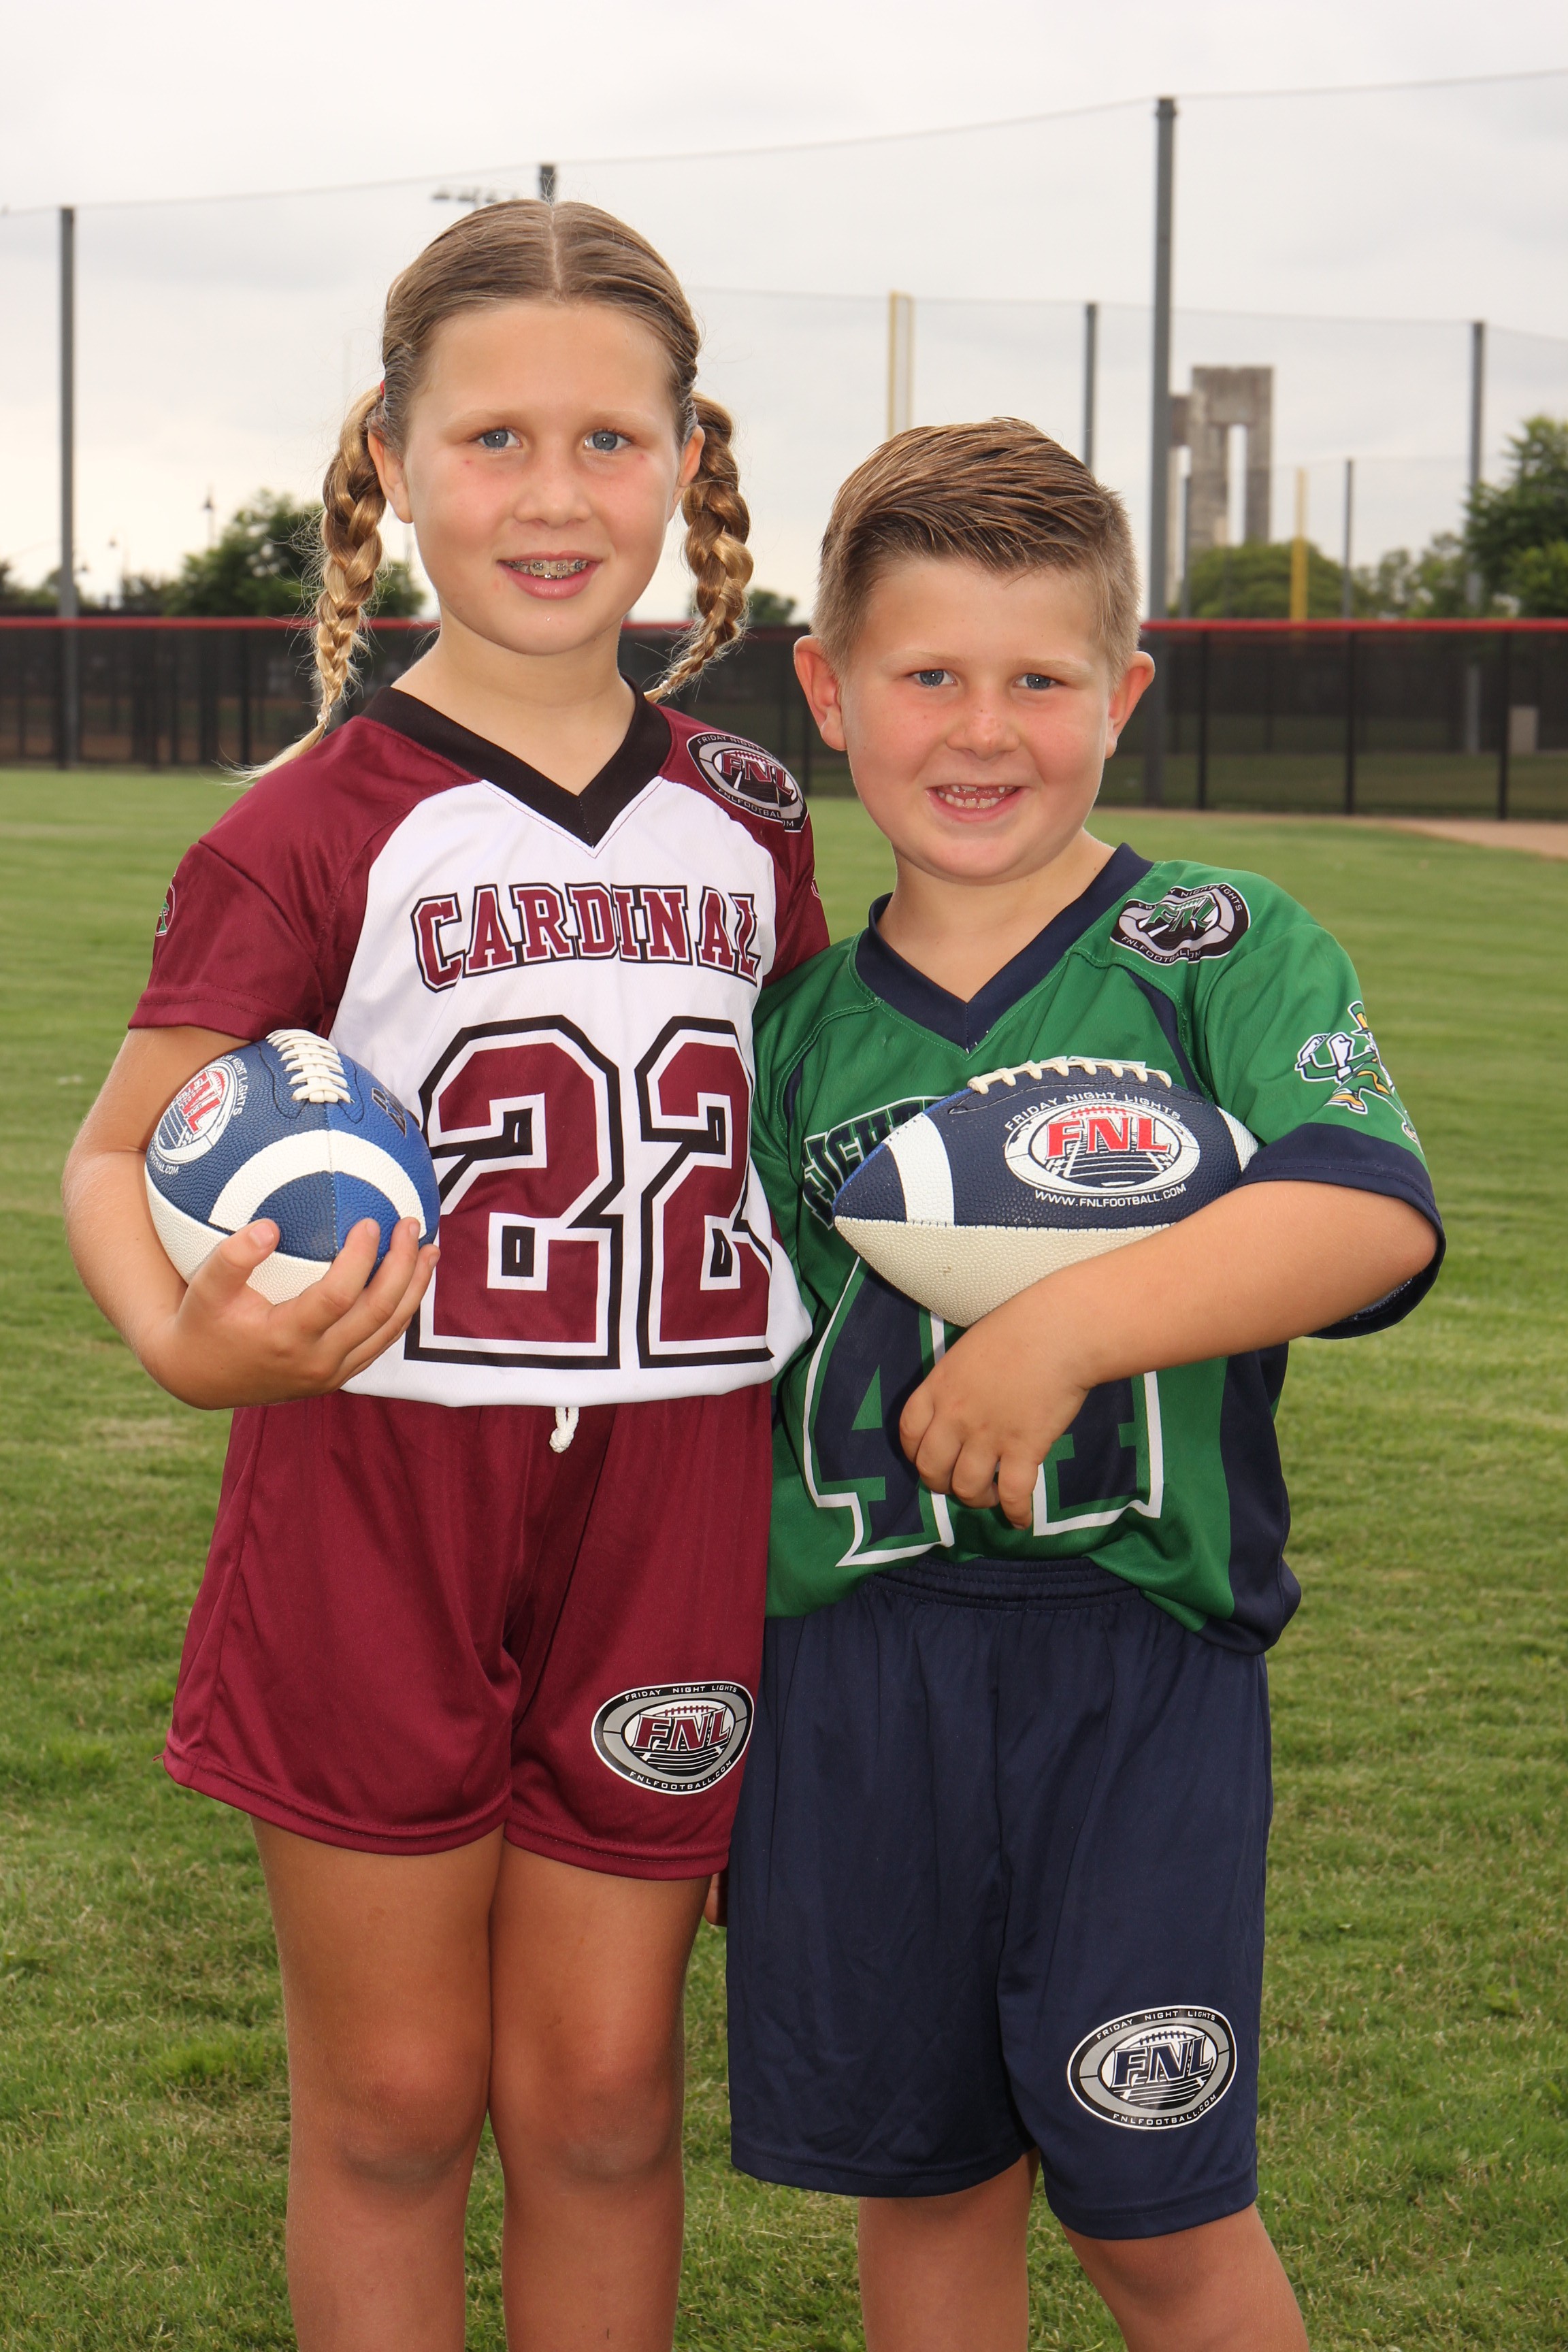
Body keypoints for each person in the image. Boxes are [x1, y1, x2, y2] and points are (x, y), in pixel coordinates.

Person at [62, 199, 826, 2352]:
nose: (552, 496)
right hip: (375, 1486)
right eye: (494, 439)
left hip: (673, 1494)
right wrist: (187, 1345)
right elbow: (113, 1153)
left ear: (686, 464)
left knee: (603, 2100)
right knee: (395, 2105)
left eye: (608, 440)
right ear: (393, 461)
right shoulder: (307, 824)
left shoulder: (753, 813)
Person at [725, 420, 1442, 2352]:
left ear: (1123, 696)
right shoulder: (789, 1025)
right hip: (853, 1677)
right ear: (830, 692)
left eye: (1040, 681)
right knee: (926, 2192)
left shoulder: (1215, 946)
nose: (985, 731)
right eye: (928, 676)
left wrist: (1065, 1330)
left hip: (1138, 1668)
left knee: (1160, 2217)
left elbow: (1368, 1216)